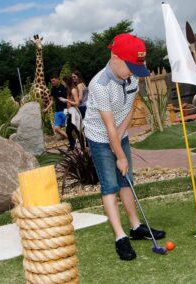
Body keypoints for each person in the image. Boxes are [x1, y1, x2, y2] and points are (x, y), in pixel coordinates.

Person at [84, 33, 165, 261]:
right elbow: (108, 127)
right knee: (110, 185)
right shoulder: (99, 85)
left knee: (126, 179)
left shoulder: (133, 75)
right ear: (115, 57)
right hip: (100, 136)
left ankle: (136, 227)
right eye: (129, 66)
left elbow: (129, 108)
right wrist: (118, 153)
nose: (133, 72)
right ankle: (120, 237)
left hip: (119, 132)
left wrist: (120, 137)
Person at [60, 76, 85, 150]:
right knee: (72, 130)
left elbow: (77, 103)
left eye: (64, 82)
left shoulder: (73, 90)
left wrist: (67, 101)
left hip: (75, 112)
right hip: (70, 112)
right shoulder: (68, 90)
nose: (63, 84)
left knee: (75, 130)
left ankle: (81, 146)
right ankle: (76, 146)